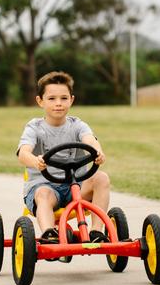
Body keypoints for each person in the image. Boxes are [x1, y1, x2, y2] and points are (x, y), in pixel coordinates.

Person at [16, 71, 111, 244]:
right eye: (52, 99)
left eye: (64, 98)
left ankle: (96, 232)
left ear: (71, 100)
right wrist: (35, 161)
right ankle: (49, 234)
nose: (58, 104)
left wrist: (97, 151)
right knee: (43, 193)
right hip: (44, 186)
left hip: (76, 185)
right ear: (40, 101)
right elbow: (23, 153)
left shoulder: (77, 125)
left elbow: (90, 139)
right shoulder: (34, 127)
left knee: (102, 178)